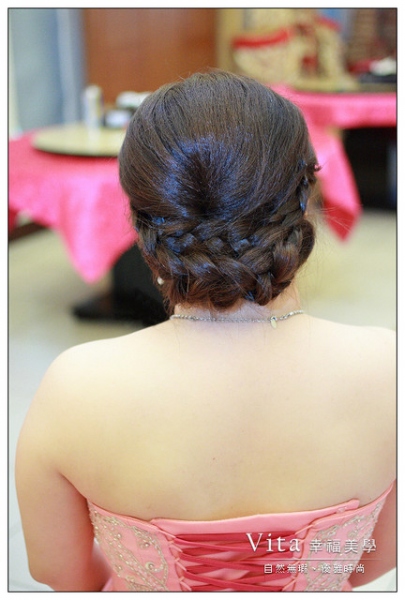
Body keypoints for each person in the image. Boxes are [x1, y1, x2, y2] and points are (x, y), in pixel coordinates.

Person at [15, 70, 396, 592]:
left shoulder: (74, 386)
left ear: (141, 220)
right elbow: (372, 562)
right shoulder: (388, 370)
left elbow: (58, 573)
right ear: (304, 201)